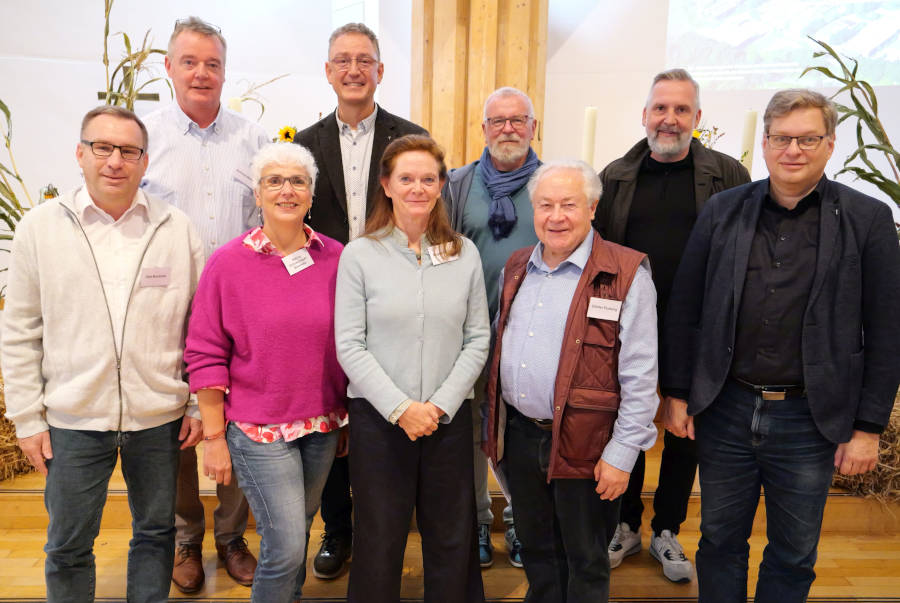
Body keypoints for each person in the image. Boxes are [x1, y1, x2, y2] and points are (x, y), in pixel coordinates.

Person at [662, 88, 900, 603]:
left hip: (810, 417)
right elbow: (686, 306)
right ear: (765, 144)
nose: (794, 150)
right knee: (720, 540)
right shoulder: (724, 210)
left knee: (793, 552)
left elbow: (886, 331)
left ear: (829, 144)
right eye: (782, 138)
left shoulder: (867, 219)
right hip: (726, 406)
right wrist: (677, 391)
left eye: (808, 138)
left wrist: (868, 429)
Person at [1, 106, 205, 603]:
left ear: (144, 161)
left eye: (129, 150)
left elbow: (198, 328)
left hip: (159, 417)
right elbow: (20, 329)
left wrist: (197, 402)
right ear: (80, 153)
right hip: (72, 418)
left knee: (156, 535)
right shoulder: (41, 228)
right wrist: (27, 418)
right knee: (68, 544)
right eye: (102, 147)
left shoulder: (176, 228)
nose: (115, 160)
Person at [594, 68, 749, 581]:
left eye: (681, 109)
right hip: (628, 325)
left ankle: (667, 529)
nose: (669, 118)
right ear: (644, 116)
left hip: (699, 327)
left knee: (686, 428)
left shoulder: (727, 175)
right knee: (629, 421)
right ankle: (625, 523)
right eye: (660, 108)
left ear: (697, 118)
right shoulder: (615, 176)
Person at [484, 160, 660, 602]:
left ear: (592, 208)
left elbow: (641, 375)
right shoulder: (518, 265)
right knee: (538, 550)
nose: (556, 216)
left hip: (589, 442)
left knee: (585, 558)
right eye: (545, 205)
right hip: (522, 438)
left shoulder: (625, 273)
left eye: (569, 204)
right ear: (533, 210)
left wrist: (622, 455)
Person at [183, 142, 347, 603]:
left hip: (322, 425)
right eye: (274, 180)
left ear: (312, 194)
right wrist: (214, 438)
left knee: (293, 539)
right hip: (257, 430)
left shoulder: (336, 258)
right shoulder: (228, 263)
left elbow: (349, 342)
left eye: (298, 181)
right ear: (257, 194)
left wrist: (345, 415)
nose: (287, 190)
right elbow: (205, 352)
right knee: (287, 544)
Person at [295, 21, 427, 579]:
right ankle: (337, 529)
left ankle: (381, 530)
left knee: (379, 407)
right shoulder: (302, 144)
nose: (354, 70)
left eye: (364, 60)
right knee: (332, 411)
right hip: (324, 296)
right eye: (342, 60)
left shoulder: (409, 136)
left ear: (380, 70)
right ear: (328, 72)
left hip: (394, 290)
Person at [141, 16, 268, 592]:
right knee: (181, 426)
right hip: (167, 306)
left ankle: (231, 535)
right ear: (169, 68)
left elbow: (271, 219)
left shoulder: (253, 141)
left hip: (241, 309)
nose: (201, 73)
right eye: (189, 62)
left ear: (224, 71)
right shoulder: (147, 140)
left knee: (235, 422)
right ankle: (185, 537)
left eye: (212, 63)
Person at [335, 134, 489, 602]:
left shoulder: (464, 253)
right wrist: (401, 407)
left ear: (442, 185)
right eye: (406, 178)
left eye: (428, 178)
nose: (417, 188)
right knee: (380, 537)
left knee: (451, 534)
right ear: (386, 184)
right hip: (379, 420)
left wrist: (438, 406)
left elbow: (478, 337)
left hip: (447, 419)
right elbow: (350, 344)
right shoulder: (359, 255)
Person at [443, 86, 538, 568]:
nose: (508, 129)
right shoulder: (458, 184)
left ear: (533, 128)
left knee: (518, 437)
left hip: (531, 338)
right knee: (469, 437)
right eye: (498, 121)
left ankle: (520, 524)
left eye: (517, 120)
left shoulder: (550, 183)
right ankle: (477, 523)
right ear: (483, 130)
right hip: (470, 333)